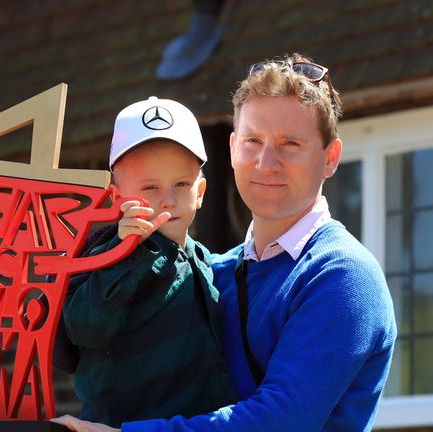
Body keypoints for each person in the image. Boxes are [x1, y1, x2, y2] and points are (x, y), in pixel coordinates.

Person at [53, 53, 397, 431]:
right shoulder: (213, 271)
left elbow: (281, 421)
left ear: (330, 158)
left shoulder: (343, 276)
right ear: (233, 149)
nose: (267, 162)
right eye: (253, 140)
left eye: (291, 143)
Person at [59, 96, 238, 427]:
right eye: (150, 187)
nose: (167, 199)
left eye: (181, 184)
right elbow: (85, 328)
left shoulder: (201, 259)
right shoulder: (105, 256)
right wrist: (128, 253)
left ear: (200, 192)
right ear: (117, 198)